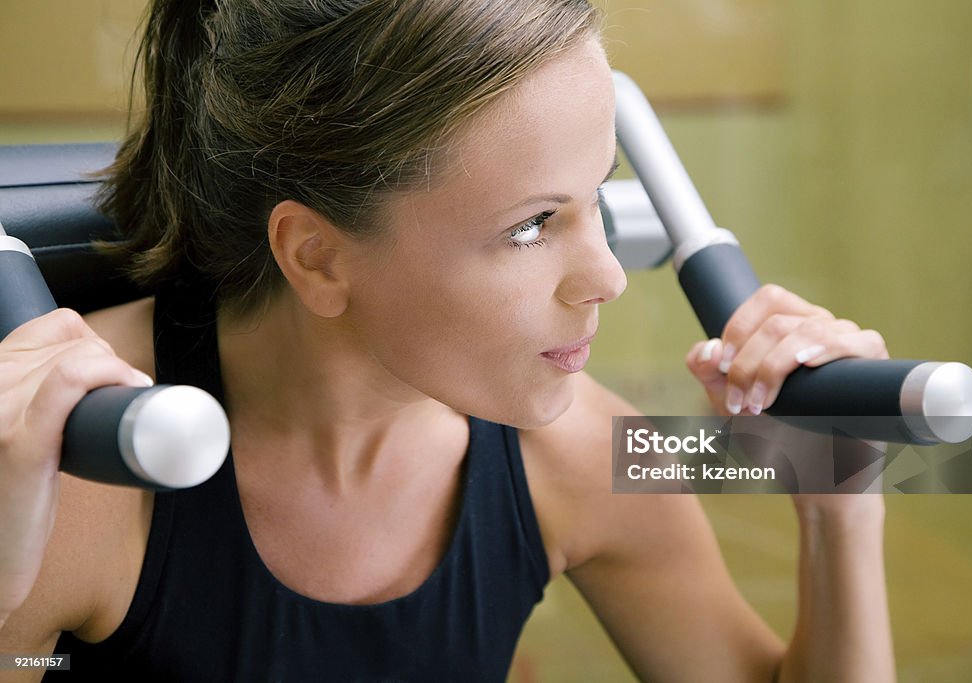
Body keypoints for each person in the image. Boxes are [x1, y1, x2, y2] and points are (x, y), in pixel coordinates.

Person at [0, 0, 896, 680]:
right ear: (317, 257)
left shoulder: (579, 451)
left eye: (596, 197)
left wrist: (840, 506)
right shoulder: (79, 479)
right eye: (532, 224)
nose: (609, 277)